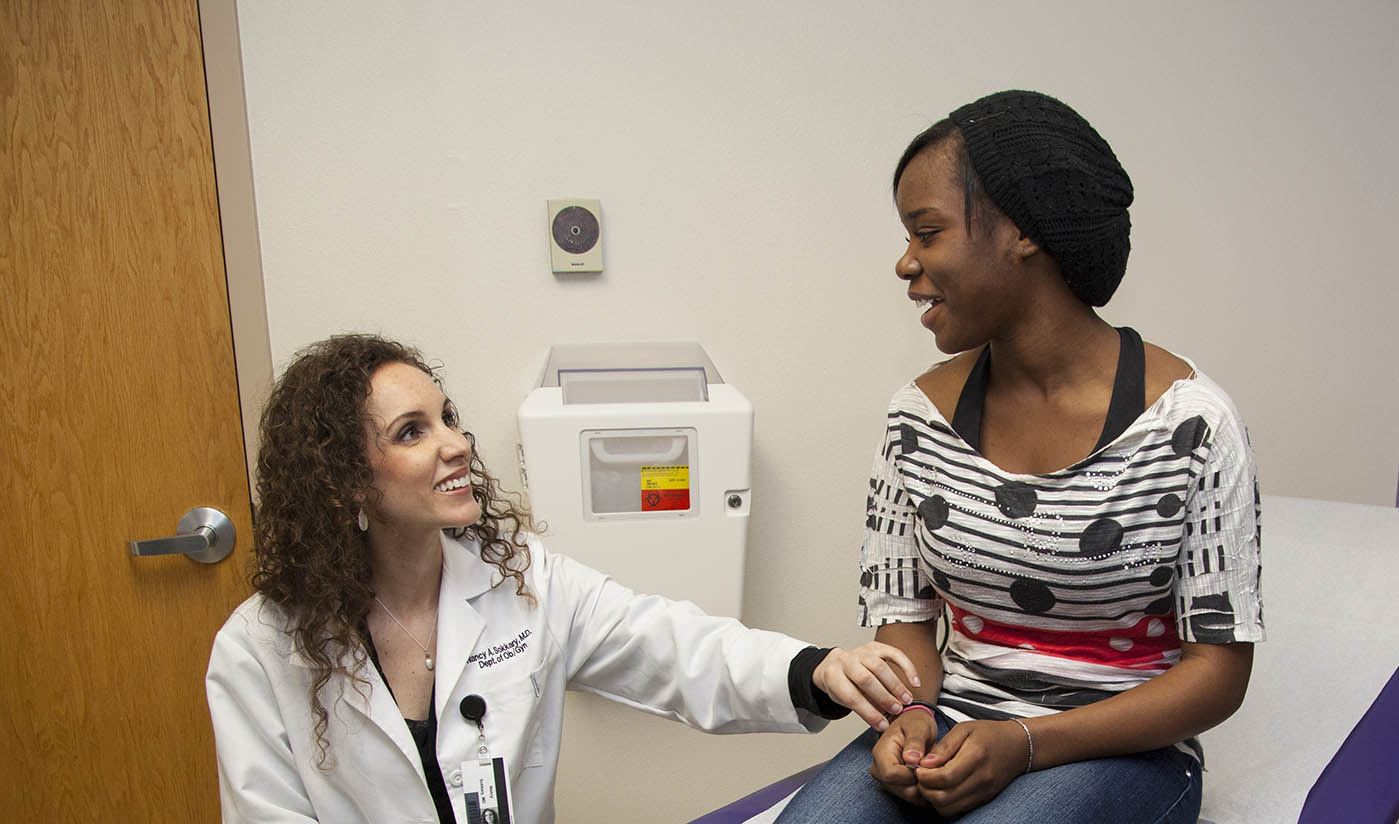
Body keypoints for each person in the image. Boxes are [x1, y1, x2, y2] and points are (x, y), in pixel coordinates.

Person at [775, 90, 1263, 823]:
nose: (905, 262)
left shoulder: (1190, 426)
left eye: (927, 231)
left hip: (1123, 749)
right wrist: (905, 716)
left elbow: (1216, 676)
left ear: (1021, 232)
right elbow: (905, 625)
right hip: (955, 722)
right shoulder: (917, 419)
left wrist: (1025, 744)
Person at [206, 333, 919, 824]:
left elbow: (672, 645)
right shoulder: (260, 651)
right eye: (411, 431)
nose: (455, 443)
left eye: (447, 416)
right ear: (343, 482)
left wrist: (818, 671)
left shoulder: (520, 583)